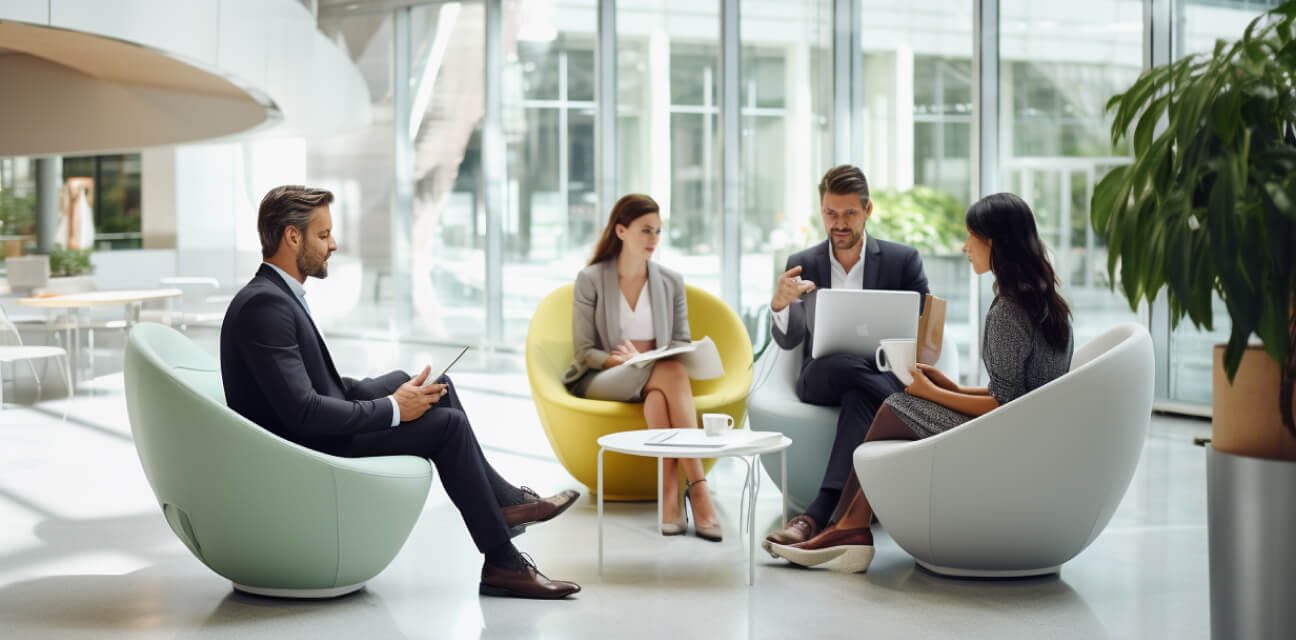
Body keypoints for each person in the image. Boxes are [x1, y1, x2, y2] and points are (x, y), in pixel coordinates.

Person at [221, 185, 581, 599]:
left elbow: (323, 388)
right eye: (323, 235)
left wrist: (397, 390)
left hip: (312, 430)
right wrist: (393, 408)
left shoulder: (276, 296)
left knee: (437, 388)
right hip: (305, 450)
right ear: (292, 236)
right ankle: (503, 561)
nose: (333, 244)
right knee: (447, 426)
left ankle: (503, 502)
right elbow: (303, 411)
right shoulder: (264, 307)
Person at [768, 192, 1075, 572]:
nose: (965, 246)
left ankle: (847, 526)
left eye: (970, 237)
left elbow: (1005, 405)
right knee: (890, 400)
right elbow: (1021, 394)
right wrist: (952, 389)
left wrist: (929, 393)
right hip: (1026, 431)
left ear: (992, 242)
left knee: (894, 404)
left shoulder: (1009, 310)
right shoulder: (1046, 302)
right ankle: (850, 525)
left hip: (1007, 435)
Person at [762, 165, 930, 552]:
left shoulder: (901, 261)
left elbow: (922, 327)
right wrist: (780, 305)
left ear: (867, 210)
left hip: (877, 374)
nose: (838, 224)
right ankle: (899, 404)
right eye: (830, 213)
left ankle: (818, 516)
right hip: (821, 376)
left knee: (860, 396)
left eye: (849, 213)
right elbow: (789, 341)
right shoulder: (804, 261)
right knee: (846, 368)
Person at [563, 194, 722, 542]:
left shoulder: (670, 281)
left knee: (659, 397)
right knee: (673, 374)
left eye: (658, 232)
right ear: (621, 230)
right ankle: (698, 488)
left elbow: (681, 340)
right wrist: (617, 360)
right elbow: (584, 351)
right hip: (605, 375)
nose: (653, 240)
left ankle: (669, 492)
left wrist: (655, 356)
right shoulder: (590, 279)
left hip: (655, 374)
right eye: (645, 230)